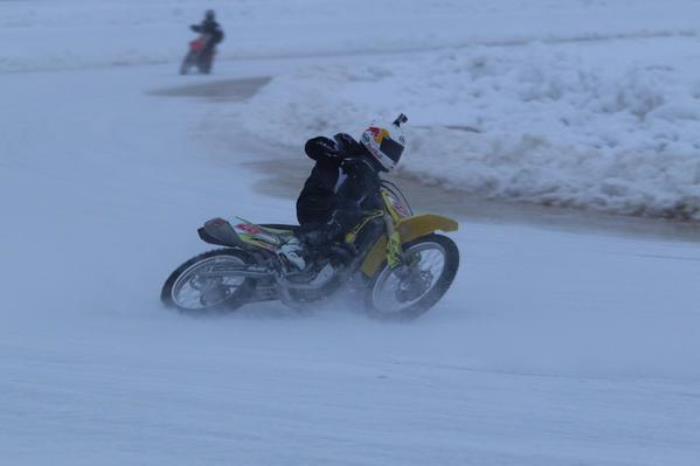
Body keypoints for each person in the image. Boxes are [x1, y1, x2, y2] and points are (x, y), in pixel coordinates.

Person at [279, 115, 408, 270]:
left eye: (396, 152)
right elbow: (312, 146)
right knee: (351, 211)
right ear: (375, 140)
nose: (393, 155)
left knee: (370, 220)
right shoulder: (347, 149)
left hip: (334, 213)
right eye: (390, 149)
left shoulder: (372, 178)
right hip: (315, 205)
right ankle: (295, 247)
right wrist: (334, 153)